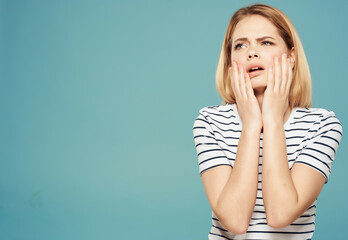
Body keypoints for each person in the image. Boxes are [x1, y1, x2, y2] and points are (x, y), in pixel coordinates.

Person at [192, 3, 343, 240]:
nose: (252, 52)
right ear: (231, 61)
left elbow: (280, 214)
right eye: (240, 45)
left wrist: (272, 120)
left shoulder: (322, 125)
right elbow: (234, 221)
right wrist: (252, 125)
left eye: (266, 42)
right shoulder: (210, 122)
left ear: (291, 57)